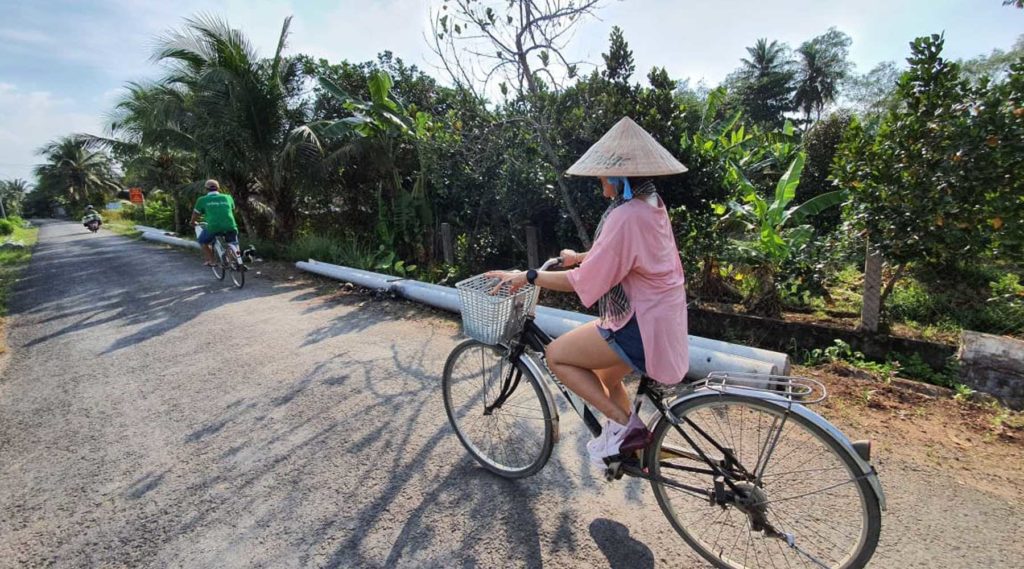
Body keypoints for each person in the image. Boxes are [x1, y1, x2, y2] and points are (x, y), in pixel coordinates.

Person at [486, 117, 690, 466]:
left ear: (618, 176)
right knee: (608, 377)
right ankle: (630, 447)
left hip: (639, 326)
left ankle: (629, 428)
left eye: (602, 173)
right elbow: (626, 256)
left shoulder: (626, 216)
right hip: (662, 319)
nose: (599, 179)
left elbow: (583, 282)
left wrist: (529, 276)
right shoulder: (652, 204)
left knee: (557, 356)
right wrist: (578, 257)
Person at [190, 179, 240, 266]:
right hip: (230, 225)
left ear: (206, 189)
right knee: (232, 243)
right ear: (218, 188)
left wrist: (192, 222)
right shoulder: (228, 197)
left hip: (213, 227)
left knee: (202, 241)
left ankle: (212, 261)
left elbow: (195, 214)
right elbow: (232, 209)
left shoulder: (202, 200)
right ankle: (231, 260)